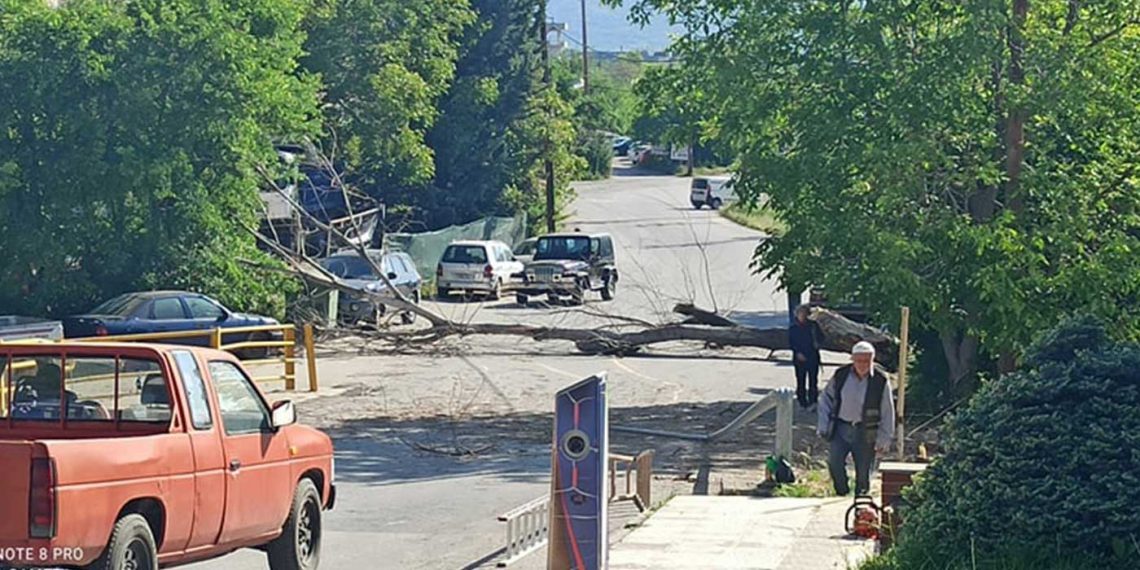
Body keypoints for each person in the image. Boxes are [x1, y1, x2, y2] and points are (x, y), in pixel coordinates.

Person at [817, 341, 895, 496]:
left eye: (867, 361)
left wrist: (884, 438)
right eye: (859, 360)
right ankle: (842, 493)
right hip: (840, 428)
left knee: (864, 472)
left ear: (872, 360)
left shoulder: (880, 380)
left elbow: (887, 411)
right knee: (834, 463)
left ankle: (861, 502)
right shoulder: (841, 375)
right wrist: (823, 425)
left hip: (865, 431)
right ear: (852, 359)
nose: (863, 365)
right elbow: (825, 399)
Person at [788, 304, 821, 409]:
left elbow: (821, 337)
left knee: (813, 380)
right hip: (799, 358)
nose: (802, 315)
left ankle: (813, 401)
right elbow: (791, 343)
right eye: (799, 313)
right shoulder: (793, 328)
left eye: (804, 313)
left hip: (812, 356)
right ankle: (802, 401)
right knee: (800, 380)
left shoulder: (813, 326)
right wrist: (798, 353)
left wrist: (818, 343)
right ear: (796, 315)